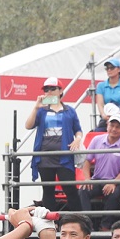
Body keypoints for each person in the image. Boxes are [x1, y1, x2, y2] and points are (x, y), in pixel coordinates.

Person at [23, 77, 85, 213]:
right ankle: (49, 221)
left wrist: (78, 139)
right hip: (45, 155)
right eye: (46, 89)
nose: (49, 92)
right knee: (48, 190)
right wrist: (36, 107)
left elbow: (78, 129)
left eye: (52, 89)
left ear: (60, 91)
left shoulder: (69, 110)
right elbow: (28, 125)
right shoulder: (42, 110)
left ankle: (80, 219)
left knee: (70, 189)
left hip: (64, 156)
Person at [83, 111, 120, 218]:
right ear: (107, 126)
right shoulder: (96, 140)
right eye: (112, 125)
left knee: (113, 194)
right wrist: (87, 179)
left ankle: (105, 225)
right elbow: (86, 160)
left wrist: (113, 183)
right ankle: (86, 222)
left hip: (116, 181)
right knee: (83, 191)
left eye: (118, 127)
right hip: (96, 179)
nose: (114, 129)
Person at [93, 57, 120, 127]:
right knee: (98, 130)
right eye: (107, 68)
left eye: (112, 68)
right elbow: (100, 104)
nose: (109, 70)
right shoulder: (101, 85)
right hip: (108, 116)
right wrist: (103, 115)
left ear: (118, 69)